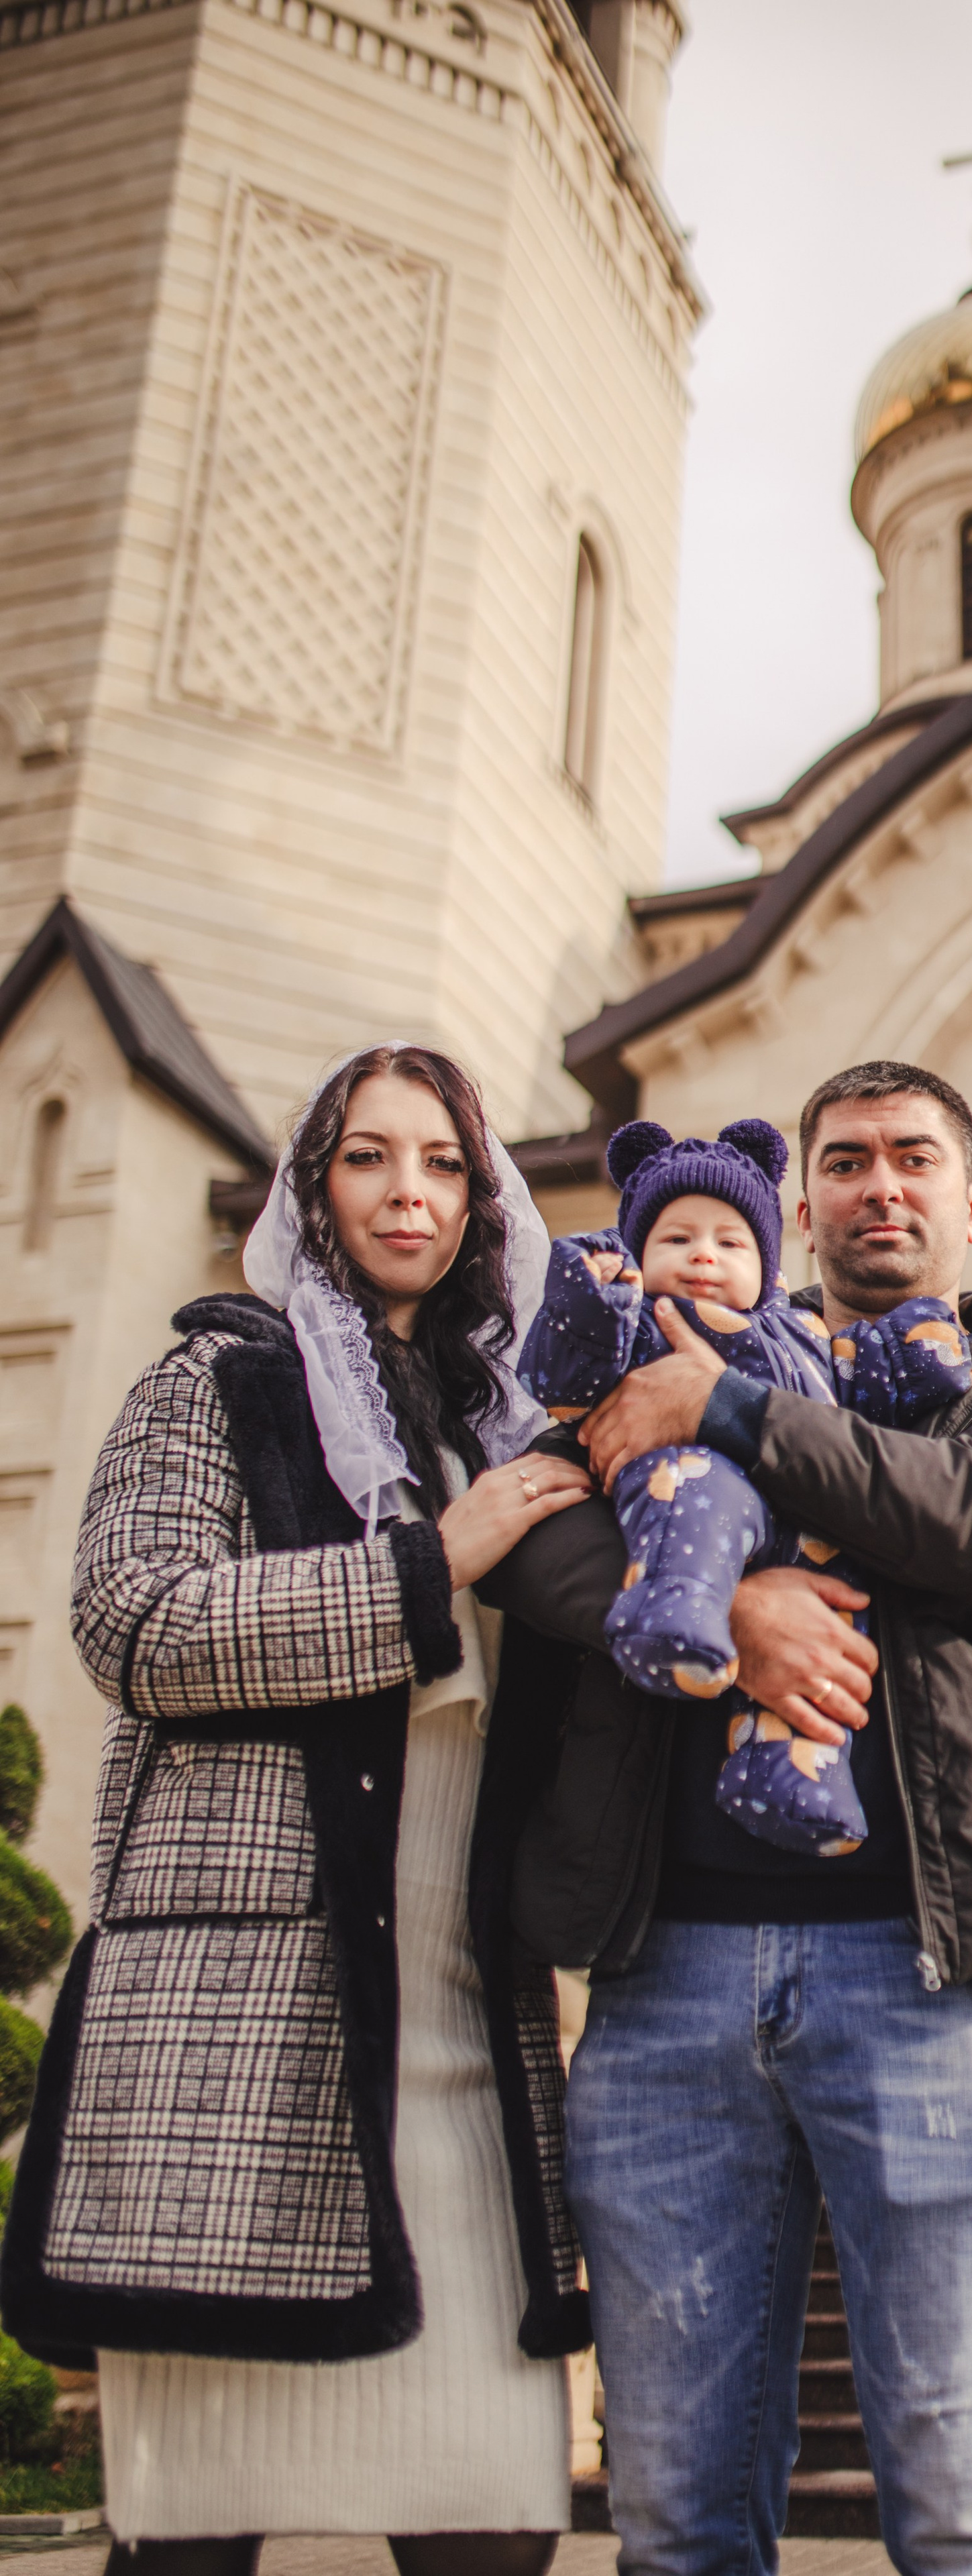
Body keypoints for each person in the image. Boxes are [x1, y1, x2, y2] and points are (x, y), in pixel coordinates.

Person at [486, 1058, 972, 2576]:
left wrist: (728, 1410)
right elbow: (525, 1530)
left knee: (965, 2508)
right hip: (664, 1992)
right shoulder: (658, 1336)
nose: (878, 1185)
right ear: (799, 1201)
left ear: (970, 1205)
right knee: (675, 2519)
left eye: (912, 1159)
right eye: (845, 1160)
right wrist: (734, 1601)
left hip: (918, 1982)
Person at [1, 1043, 594, 2576]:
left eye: (444, 1162)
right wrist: (427, 1562)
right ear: (310, 1188)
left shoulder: (520, 1424)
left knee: (496, 2534)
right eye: (368, 1157)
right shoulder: (211, 1377)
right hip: (241, 2037)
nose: (410, 1191)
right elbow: (135, 1623)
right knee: (191, 2546)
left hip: (468, 2035)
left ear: (484, 1192)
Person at [516, 1113, 972, 1858]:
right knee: (701, 1489)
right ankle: (679, 1610)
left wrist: (923, 1344)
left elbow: (861, 1371)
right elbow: (561, 1378)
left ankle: (796, 1779)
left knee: (826, 1637)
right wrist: (588, 1291)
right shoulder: (643, 1326)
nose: (703, 1257)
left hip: (801, 1538)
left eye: (729, 1243)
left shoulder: (801, 1336)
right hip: (686, 1494)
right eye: (675, 1239)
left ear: (769, 1263)